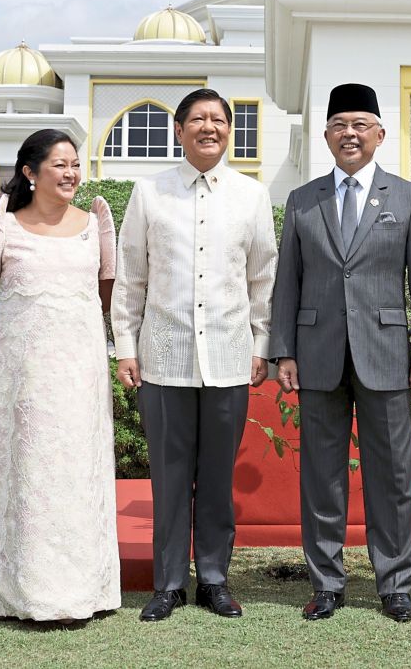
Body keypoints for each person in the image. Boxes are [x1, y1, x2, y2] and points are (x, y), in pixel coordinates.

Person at [270, 83, 411, 624]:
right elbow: (287, 281)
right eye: (339, 125)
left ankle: (395, 584)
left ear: (380, 134)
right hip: (316, 353)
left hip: (386, 354)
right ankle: (327, 583)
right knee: (321, 474)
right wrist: (283, 351)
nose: (350, 134)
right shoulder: (303, 200)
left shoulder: (407, 197)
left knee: (392, 473)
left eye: (360, 124)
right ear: (326, 135)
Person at [112, 88, 278, 622]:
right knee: (168, 476)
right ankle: (167, 583)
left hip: (229, 354)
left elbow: (263, 278)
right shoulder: (149, 192)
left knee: (217, 477)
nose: (210, 127)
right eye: (199, 119)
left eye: (219, 120)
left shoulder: (251, 196)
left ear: (230, 130)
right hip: (164, 356)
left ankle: (213, 579)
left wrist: (261, 344)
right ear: (179, 130)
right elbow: (130, 276)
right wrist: (125, 346)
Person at [0, 129, 121, 623]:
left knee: (77, 474)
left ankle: (83, 591)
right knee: (29, 474)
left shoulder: (96, 223)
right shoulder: (5, 224)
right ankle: (23, 592)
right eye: (60, 164)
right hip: (23, 382)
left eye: (75, 164)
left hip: (80, 377)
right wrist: (19, 343)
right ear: (30, 172)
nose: (71, 173)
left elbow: (106, 299)